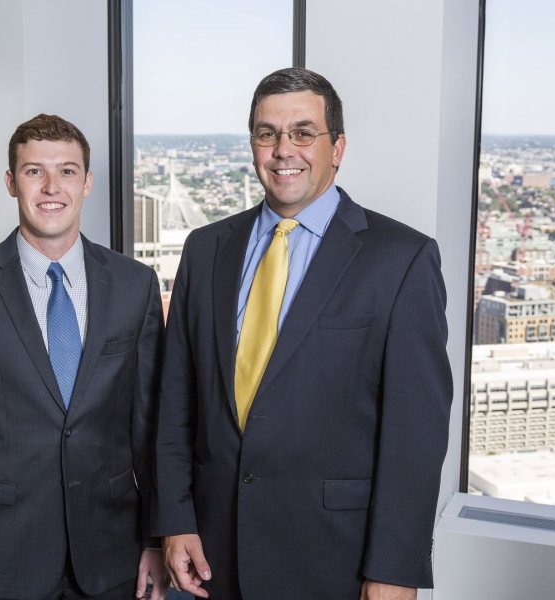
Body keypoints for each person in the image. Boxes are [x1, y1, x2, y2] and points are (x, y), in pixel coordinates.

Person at [153, 68, 453, 599]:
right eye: (267, 133)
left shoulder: (401, 258)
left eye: (302, 133)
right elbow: (178, 399)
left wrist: (395, 569)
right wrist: (174, 519)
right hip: (211, 555)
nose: (283, 149)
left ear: (337, 147)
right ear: (253, 146)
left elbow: (416, 434)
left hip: (334, 558)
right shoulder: (206, 249)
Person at [0, 114, 167, 600]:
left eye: (67, 171)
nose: (52, 187)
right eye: (34, 172)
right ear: (11, 182)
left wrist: (156, 539)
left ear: (87, 182)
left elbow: (149, 429)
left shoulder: (136, 286)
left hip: (112, 552)